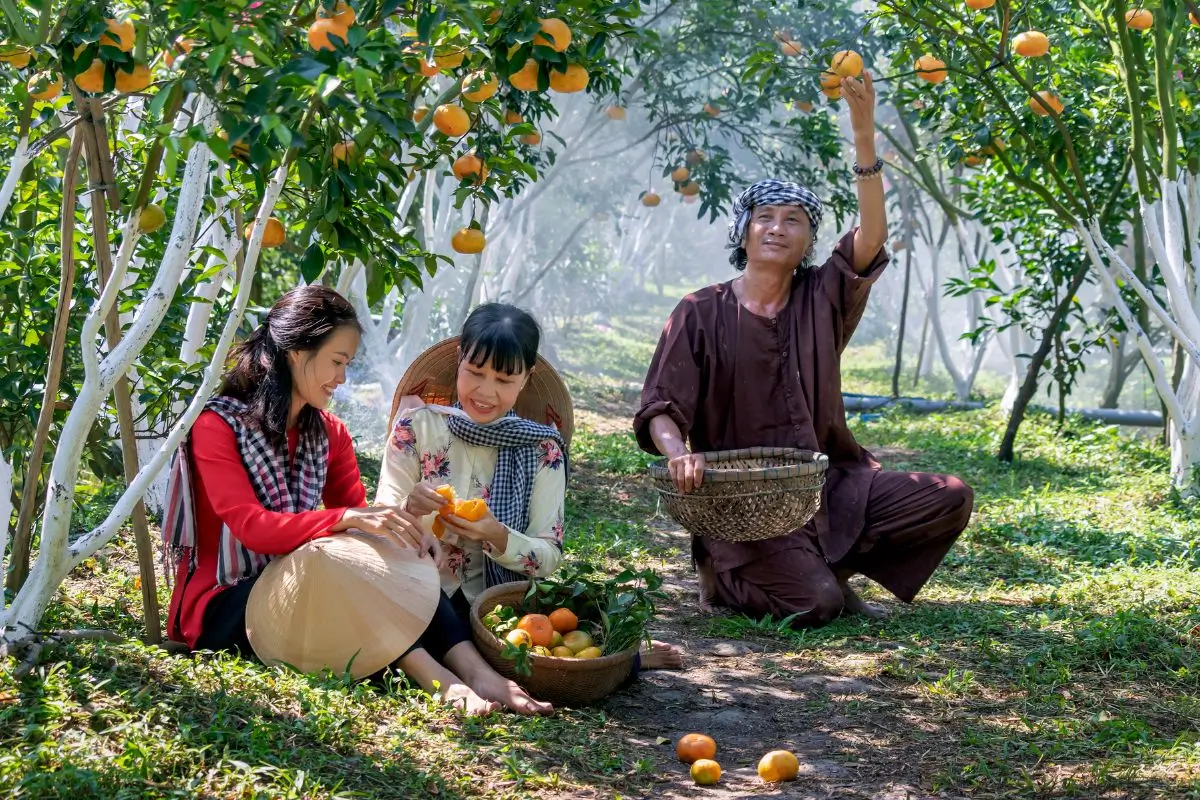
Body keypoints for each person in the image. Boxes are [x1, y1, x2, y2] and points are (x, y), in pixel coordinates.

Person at [633, 71, 973, 627]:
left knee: (948, 495)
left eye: (794, 220)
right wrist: (679, 456)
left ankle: (824, 563)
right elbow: (660, 405)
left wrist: (863, 133)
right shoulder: (700, 310)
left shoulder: (824, 296)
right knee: (817, 605)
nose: (777, 228)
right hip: (741, 504)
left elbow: (872, 235)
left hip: (830, 484)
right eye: (764, 217)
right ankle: (725, 571)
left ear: (810, 241)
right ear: (743, 233)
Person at [164, 285, 548, 715]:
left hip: (306, 593)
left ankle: (478, 673)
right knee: (333, 561)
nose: (342, 378)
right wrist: (350, 519)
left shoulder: (330, 433)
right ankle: (436, 678)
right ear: (296, 352)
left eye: (347, 364)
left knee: (382, 560)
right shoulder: (217, 426)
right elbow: (252, 526)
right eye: (337, 362)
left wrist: (404, 539)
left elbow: (364, 532)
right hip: (228, 606)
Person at [378, 302, 683, 670]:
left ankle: (606, 664)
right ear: (459, 359)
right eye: (475, 372)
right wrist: (410, 509)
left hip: (495, 602)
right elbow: (383, 523)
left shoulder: (542, 450)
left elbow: (549, 555)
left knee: (538, 642)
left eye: (505, 380)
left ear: (527, 377)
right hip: (418, 585)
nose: (486, 391)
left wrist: (499, 536)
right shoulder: (416, 428)